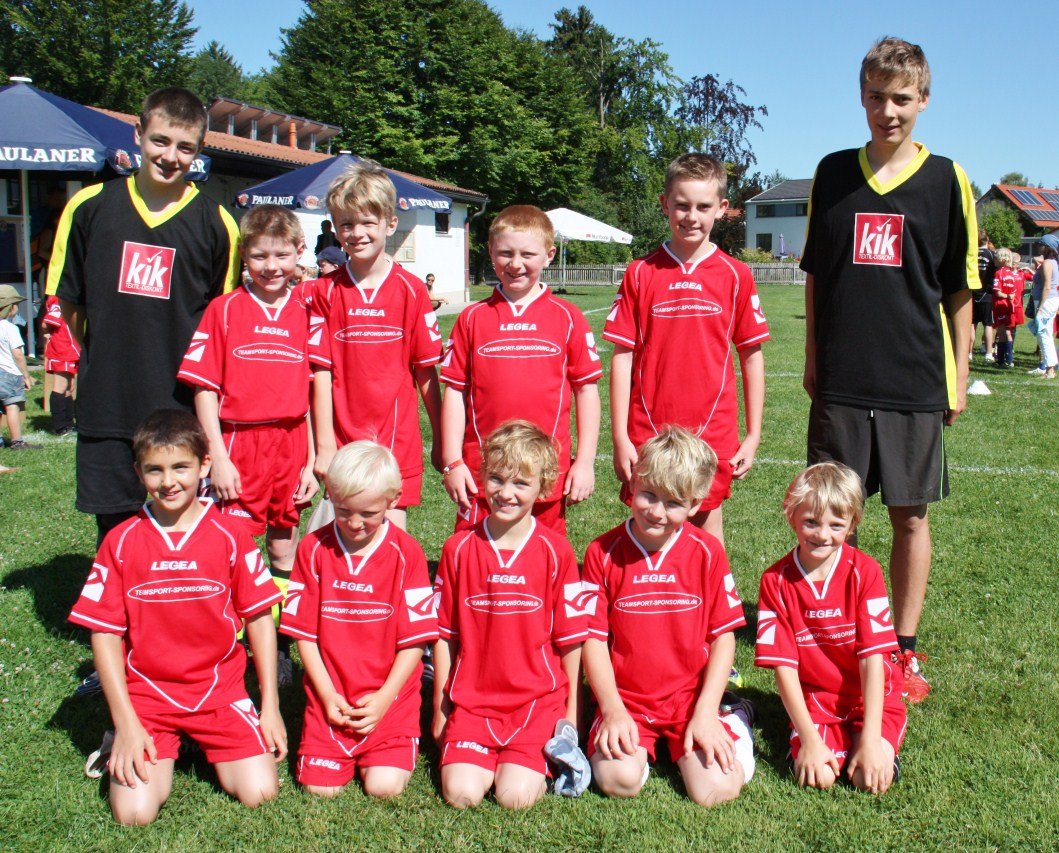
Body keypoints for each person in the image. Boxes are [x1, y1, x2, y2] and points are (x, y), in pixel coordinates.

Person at [800, 38, 979, 702]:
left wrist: (957, 374)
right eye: (876, 97)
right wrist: (813, 359)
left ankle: (900, 647)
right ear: (861, 97)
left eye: (901, 98)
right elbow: (816, 277)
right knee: (833, 517)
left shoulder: (948, 180)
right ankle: (836, 636)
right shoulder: (831, 173)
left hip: (913, 379)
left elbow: (959, 289)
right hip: (842, 379)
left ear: (923, 100)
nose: (888, 111)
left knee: (909, 518)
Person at [67, 410, 286, 825]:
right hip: (149, 696)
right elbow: (104, 633)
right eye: (155, 470)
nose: (168, 481)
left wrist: (270, 706)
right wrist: (126, 723)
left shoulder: (231, 535)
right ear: (138, 472)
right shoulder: (121, 541)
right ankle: (134, 738)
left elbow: (259, 618)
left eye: (180, 467)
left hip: (218, 692)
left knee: (260, 792)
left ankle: (200, 739)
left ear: (204, 465)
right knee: (134, 814)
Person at [47, 87, 240, 546]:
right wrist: (103, 357)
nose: (171, 156)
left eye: (185, 147)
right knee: (114, 532)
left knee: (179, 532)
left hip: (180, 409)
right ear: (138, 134)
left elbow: (222, 325)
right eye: (160, 140)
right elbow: (70, 305)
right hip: (107, 403)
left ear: (199, 150)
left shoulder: (218, 223)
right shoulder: (89, 206)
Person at [176, 205, 318, 685]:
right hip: (239, 441)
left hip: (292, 441)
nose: (271, 266)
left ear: (299, 254)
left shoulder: (307, 310)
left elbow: (314, 391)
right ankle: (227, 642)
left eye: (281, 255)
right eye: (260, 256)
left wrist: (311, 460)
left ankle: (277, 644)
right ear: (244, 257)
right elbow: (204, 387)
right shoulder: (225, 310)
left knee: (283, 545)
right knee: (232, 545)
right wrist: (215, 456)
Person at [581, 426, 754, 808]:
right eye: (649, 495)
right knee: (617, 779)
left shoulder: (707, 552)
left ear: (695, 504)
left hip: (689, 700)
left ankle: (733, 715)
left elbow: (723, 636)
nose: (657, 512)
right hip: (628, 700)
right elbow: (593, 638)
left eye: (673, 502)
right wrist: (612, 709)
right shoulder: (602, 552)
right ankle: (639, 748)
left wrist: (705, 713)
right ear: (633, 484)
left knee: (715, 790)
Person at [603, 153, 769, 544]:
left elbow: (751, 356)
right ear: (665, 204)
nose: (691, 216)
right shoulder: (640, 273)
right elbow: (622, 358)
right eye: (681, 205)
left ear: (722, 208)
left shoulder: (736, 275)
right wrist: (621, 437)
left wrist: (753, 434)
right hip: (649, 430)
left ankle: (710, 588)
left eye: (703, 207)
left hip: (713, 430)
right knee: (650, 525)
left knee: (706, 530)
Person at [432, 420, 588, 809]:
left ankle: (532, 755)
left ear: (543, 487)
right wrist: (440, 707)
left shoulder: (557, 551)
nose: (506, 493)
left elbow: (571, 641)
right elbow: (444, 633)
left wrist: (571, 716)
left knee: (515, 797)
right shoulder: (458, 548)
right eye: (497, 479)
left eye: (521, 483)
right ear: (482, 476)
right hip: (473, 702)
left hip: (535, 702)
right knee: (461, 793)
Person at [280, 441, 438, 798]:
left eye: (368, 513)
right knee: (320, 789)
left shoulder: (407, 553)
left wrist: (383, 699)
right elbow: (303, 634)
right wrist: (326, 694)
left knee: (384, 787)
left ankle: (393, 737)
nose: (354, 523)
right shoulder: (313, 549)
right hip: (333, 695)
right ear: (331, 496)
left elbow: (416, 640)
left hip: (390, 699)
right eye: (343, 510)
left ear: (393, 500)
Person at [440, 205, 602, 534]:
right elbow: (455, 392)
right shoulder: (472, 318)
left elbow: (586, 390)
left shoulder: (568, 317)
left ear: (549, 255)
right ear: (490, 252)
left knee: (543, 554)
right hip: (482, 470)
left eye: (527, 254)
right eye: (505, 253)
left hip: (545, 469)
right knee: (473, 553)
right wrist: (453, 461)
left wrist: (584, 461)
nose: (515, 264)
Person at [307, 160, 443, 530]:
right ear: (335, 228)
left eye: (368, 222)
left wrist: (441, 437)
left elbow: (425, 371)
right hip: (342, 441)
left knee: (390, 538)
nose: (357, 233)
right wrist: (324, 445)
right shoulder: (324, 291)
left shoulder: (412, 290)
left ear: (390, 223)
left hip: (397, 442)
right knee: (342, 539)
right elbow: (321, 372)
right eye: (346, 224)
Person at [756, 462, 906, 795]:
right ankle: (814, 741)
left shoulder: (865, 572)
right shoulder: (775, 581)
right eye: (811, 522)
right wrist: (809, 740)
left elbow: (872, 660)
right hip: (817, 702)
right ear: (791, 515)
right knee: (820, 776)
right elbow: (784, 667)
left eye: (836, 525)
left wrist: (870, 741)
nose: (822, 535)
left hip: (869, 697)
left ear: (853, 524)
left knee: (868, 779)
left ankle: (867, 740)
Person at [0, 286, 37, 450]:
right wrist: (26, 375)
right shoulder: (11, 328)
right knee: (12, 406)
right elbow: (18, 355)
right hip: (9, 374)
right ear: (10, 307)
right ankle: (17, 441)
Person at [42, 294, 80, 434]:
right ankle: (60, 426)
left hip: (71, 350)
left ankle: (69, 423)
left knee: (70, 387)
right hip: (62, 349)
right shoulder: (58, 300)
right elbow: (46, 323)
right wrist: (49, 334)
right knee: (60, 386)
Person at [1028, 240, 1059, 379]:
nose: (1038, 247)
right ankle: (1050, 367)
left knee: (1043, 335)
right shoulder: (1054, 262)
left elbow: (1047, 286)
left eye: (1040, 244)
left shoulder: (1047, 263)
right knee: (1046, 334)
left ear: (1046, 247)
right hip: (1051, 300)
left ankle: (1050, 369)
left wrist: (1040, 307)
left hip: (1046, 301)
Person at [991, 248, 1020, 368]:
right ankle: (1009, 359)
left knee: (1002, 332)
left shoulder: (999, 273)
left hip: (1001, 305)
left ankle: (1001, 360)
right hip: (1009, 306)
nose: (994, 260)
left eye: (996, 258)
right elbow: (1014, 291)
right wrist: (1009, 296)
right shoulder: (1011, 273)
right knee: (1007, 332)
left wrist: (1006, 296)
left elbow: (998, 292)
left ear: (1002, 260)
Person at [973, 230, 996, 361]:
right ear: (987, 240)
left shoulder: (972, 253)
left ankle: (968, 352)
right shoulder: (991, 254)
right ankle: (988, 353)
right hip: (987, 294)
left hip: (972, 293)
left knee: (972, 324)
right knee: (988, 324)